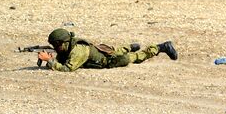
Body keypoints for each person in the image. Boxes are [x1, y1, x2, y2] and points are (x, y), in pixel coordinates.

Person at [38, 28, 178, 72]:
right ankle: (129, 47)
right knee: (117, 49)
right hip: (103, 51)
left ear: (64, 42)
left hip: (108, 60)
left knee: (135, 57)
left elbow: (68, 68)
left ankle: (161, 47)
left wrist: (50, 61)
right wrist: (54, 57)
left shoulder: (77, 50)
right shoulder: (71, 45)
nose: (56, 49)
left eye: (57, 46)